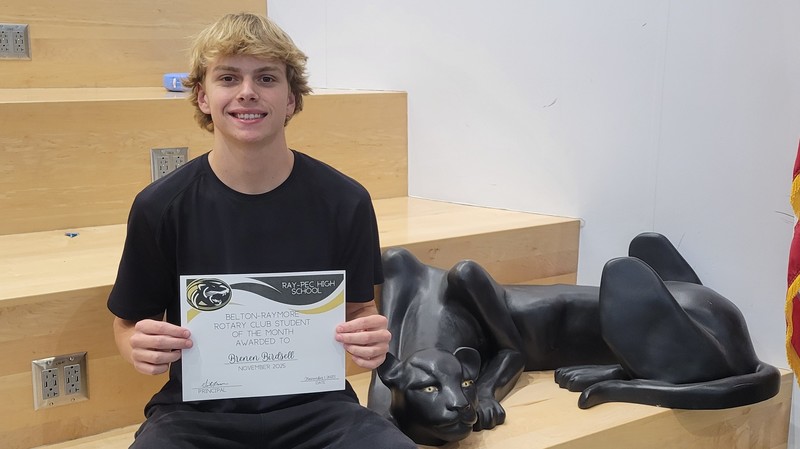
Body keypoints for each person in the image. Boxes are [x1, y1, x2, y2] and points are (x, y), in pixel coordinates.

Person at [108, 12, 417, 449]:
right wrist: (137, 346)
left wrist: (368, 339)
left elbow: (359, 310)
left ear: (292, 99)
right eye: (229, 78)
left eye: (267, 78)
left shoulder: (345, 201)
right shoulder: (159, 206)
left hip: (319, 410)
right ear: (201, 96)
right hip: (196, 414)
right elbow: (127, 324)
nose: (247, 93)